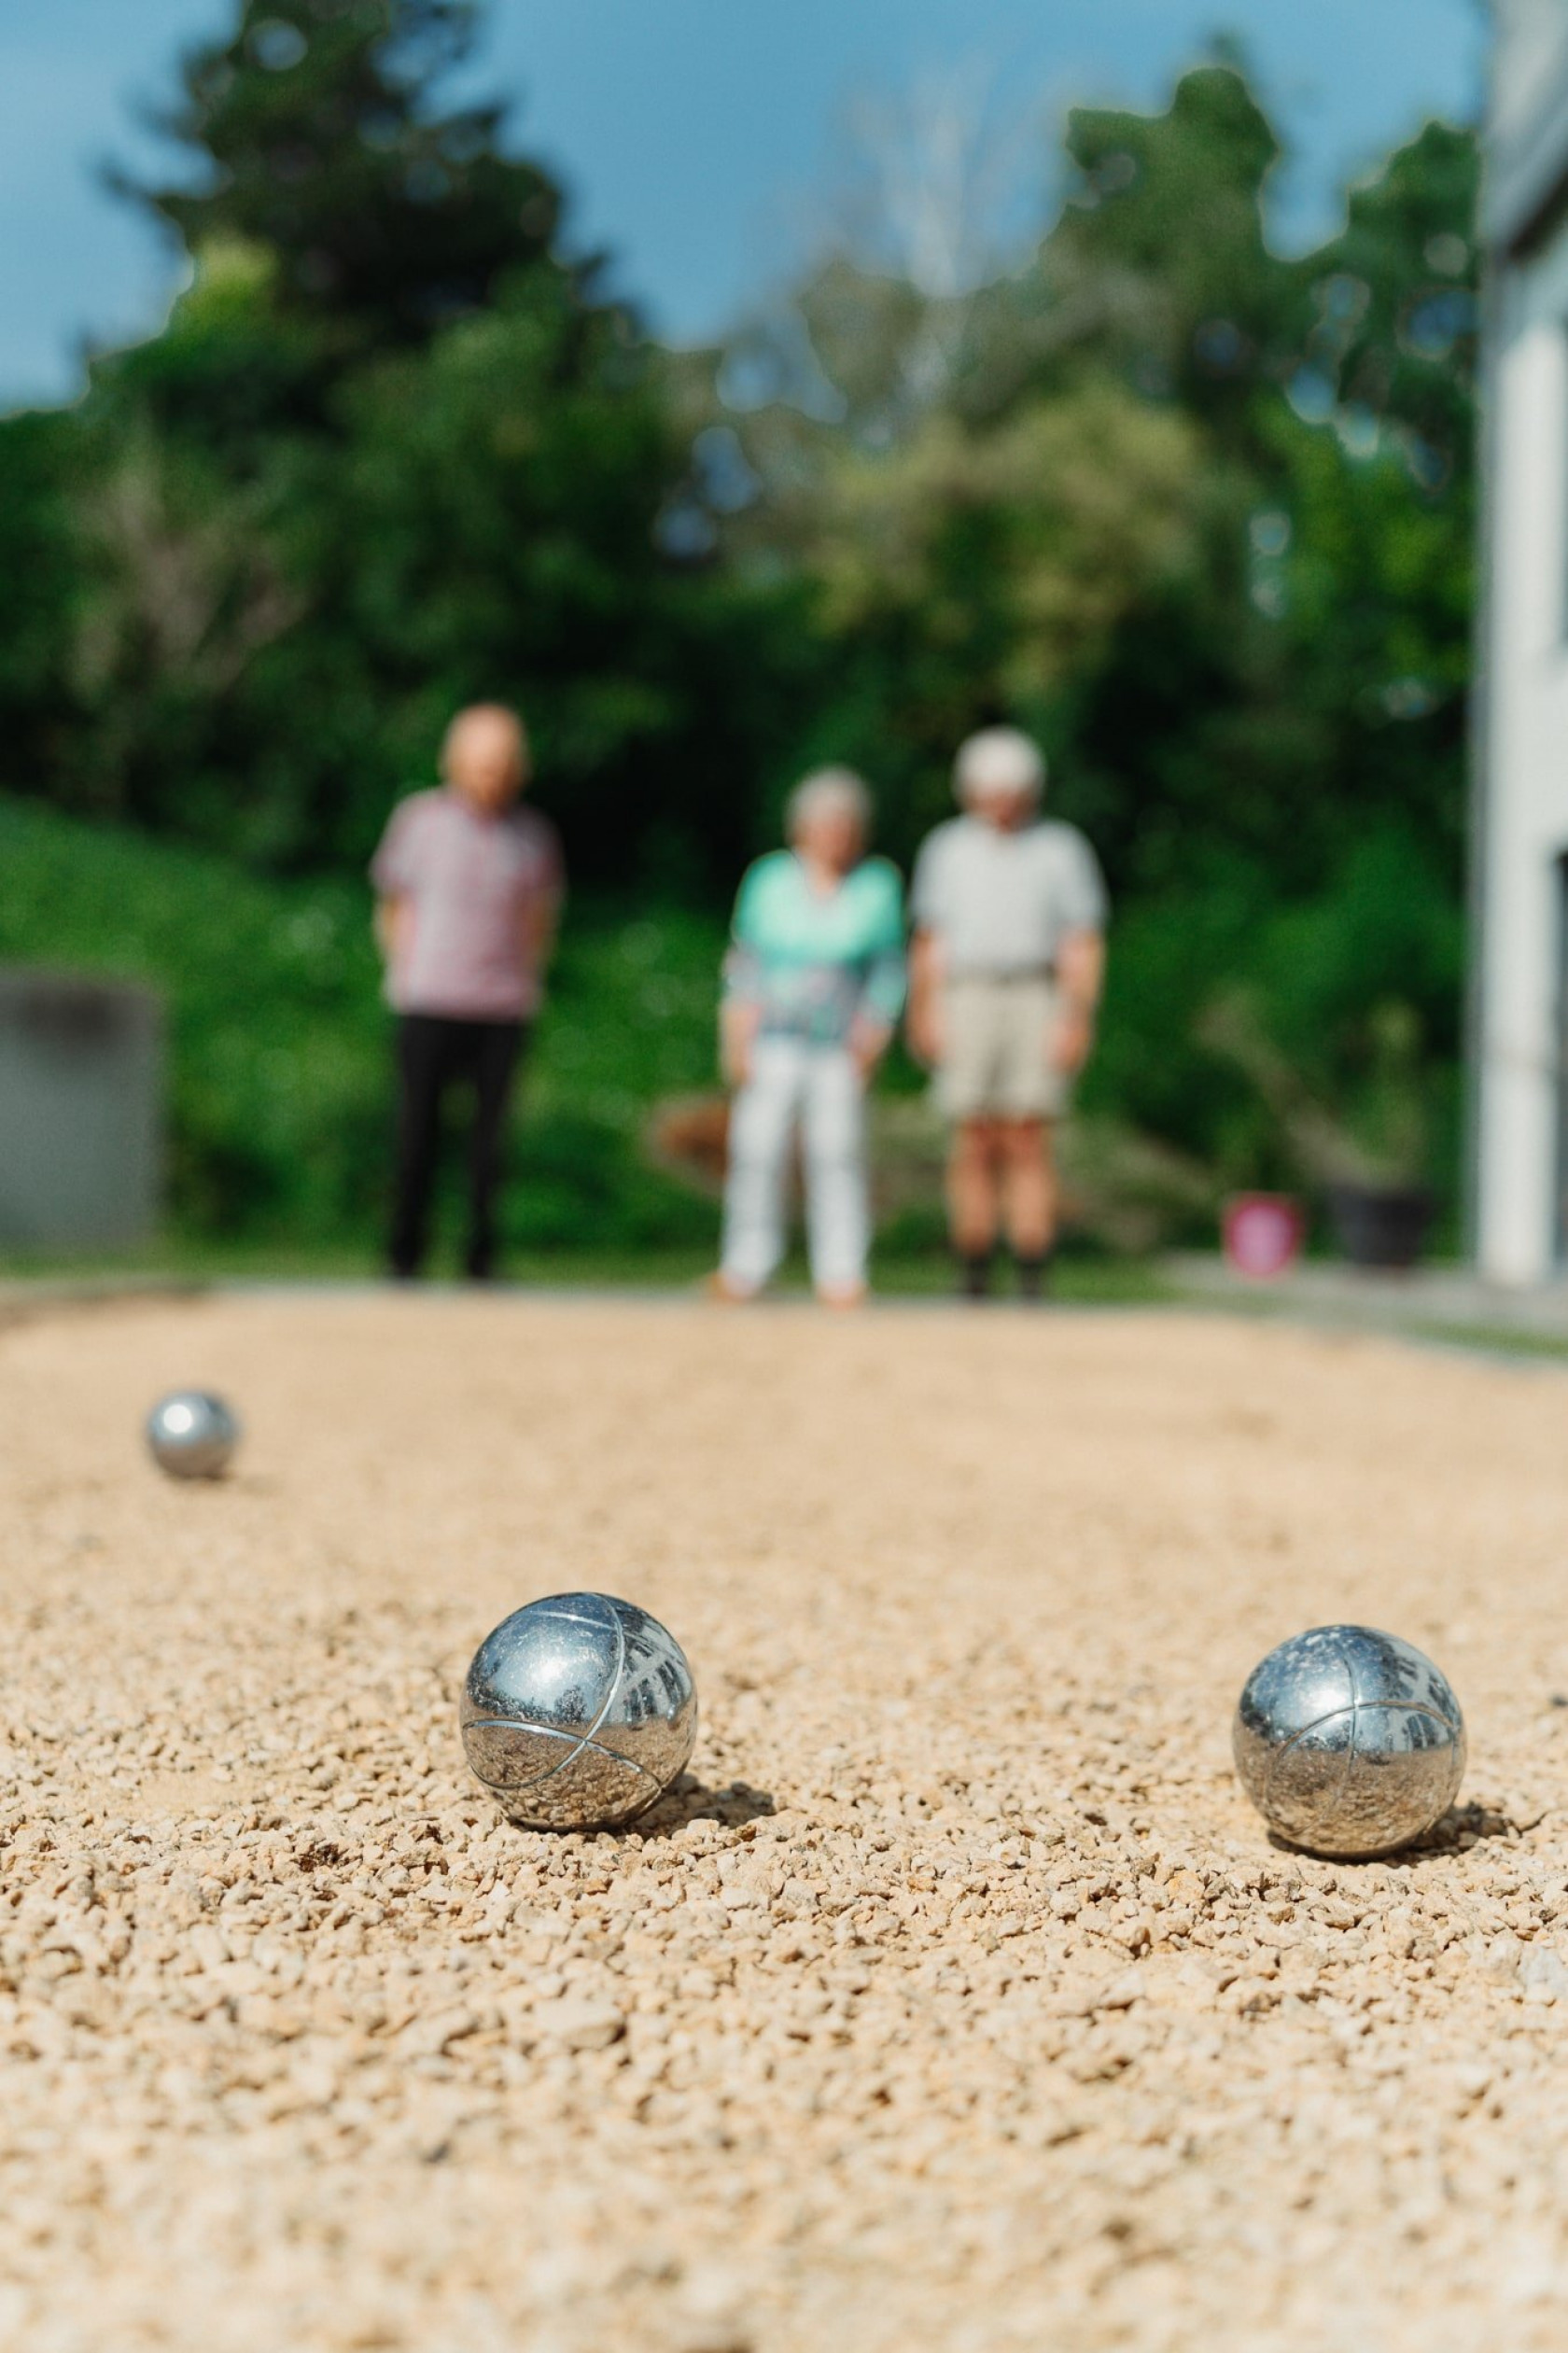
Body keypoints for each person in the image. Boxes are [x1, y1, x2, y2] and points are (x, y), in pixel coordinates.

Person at [907, 726, 1107, 1301]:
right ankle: (972, 1263)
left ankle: (1032, 1266)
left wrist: (1076, 1015)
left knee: (1027, 1134)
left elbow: (1082, 940)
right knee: (970, 1134)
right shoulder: (946, 848)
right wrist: (925, 1010)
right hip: (965, 992)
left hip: (1033, 993)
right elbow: (929, 937)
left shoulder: (1060, 848)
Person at [370, 703, 563, 1282]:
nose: (492, 777)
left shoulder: (532, 835)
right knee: (415, 1134)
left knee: (490, 1145)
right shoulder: (419, 821)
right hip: (428, 998)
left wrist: (528, 978)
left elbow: (539, 916)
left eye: (503, 765)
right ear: (454, 763)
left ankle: (481, 1257)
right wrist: (404, 971)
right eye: (482, 765)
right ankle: (404, 1255)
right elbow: (394, 904)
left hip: (502, 1005)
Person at [714, 768, 905, 1308]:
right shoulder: (768, 879)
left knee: (838, 1153)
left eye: (845, 824)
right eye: (825, 823)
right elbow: (745, 961)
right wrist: (735, 1032)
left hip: (841, 1045)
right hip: (773, 1036)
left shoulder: (877, 884)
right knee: (756, 1150)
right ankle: (745, 1267)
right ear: (801, 827)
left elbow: (889, 969)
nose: (835, 834)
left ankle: (842, 1274)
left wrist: (875, 1033)